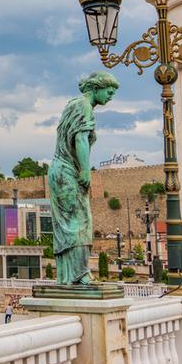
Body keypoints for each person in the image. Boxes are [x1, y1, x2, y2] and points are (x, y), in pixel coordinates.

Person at [47, 71, 120, 285]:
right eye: (109, 91)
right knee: (79, 224)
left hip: (61, 171)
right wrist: (85, 170)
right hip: (69, 171)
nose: (111, 97)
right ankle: (78, 275)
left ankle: (68, 276)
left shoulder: (74, 104)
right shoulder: (83, 106)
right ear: (97, 88)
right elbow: (80, 139)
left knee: (70, 224)